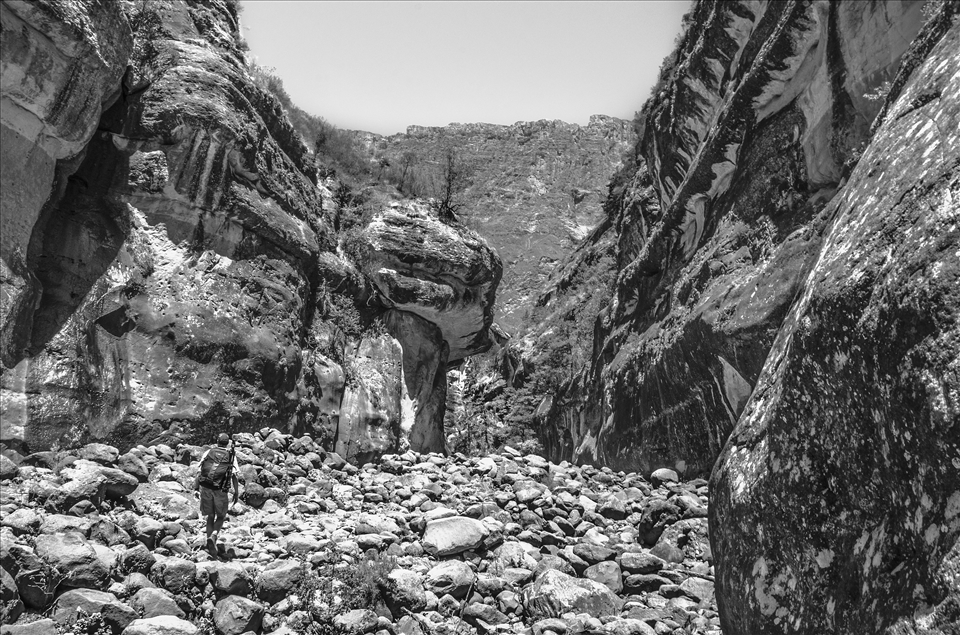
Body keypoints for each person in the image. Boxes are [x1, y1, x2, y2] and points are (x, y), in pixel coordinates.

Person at [194, 433, 240, 557]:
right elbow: (234, 475)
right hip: (220, 490)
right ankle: (214, 535)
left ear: (217, 441)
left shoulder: (209, 452)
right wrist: (236, 492)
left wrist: (196, 488)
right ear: (227, 443)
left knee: (210, 515)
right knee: (220, 516)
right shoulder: (231, 455)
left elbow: (199, 471)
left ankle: (210, 544)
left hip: (206, 487)